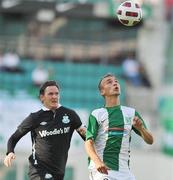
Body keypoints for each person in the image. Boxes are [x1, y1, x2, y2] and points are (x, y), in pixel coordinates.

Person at [4, 80, 86, 180]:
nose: (54, 96)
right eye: (50, 94)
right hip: (38, 170)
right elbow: (13, 138)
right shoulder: (34, 118)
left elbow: (87, 137)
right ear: (42, 97)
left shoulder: (70, 114)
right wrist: (10, 152)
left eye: (56, 94)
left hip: (59, 171)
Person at [85, 73, 154, 180]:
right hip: (103, 171)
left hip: (125, 172)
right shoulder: (96, 114)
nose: (115, 83)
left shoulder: (131, 113)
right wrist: (97, 162)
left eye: (116, 81)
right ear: (102, 91)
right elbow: (88, 143)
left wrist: (141, 129)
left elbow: (150, 140)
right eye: (109, 82)